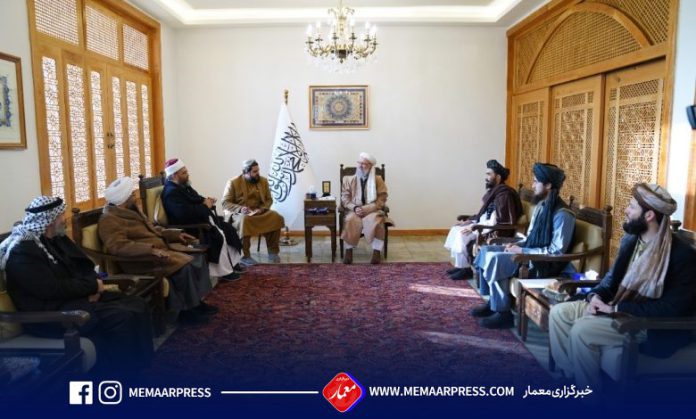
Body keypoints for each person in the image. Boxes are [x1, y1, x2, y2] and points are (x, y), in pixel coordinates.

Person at [549, 183, 696, 392]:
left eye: (632, 207)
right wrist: (595, 298)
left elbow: (672, 309)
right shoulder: (631, 240)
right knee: (559, 313)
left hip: (645, 323)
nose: (626, 210)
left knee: (582, 330)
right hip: (615, 305)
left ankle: (589, 400)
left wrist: (616, 309)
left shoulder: (682, 255)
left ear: (649, 216)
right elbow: (610, 281)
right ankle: (571, 376)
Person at [0, 196, 153, 376]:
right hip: (50, 314)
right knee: (121, 316)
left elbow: (83, 265)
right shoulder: (22, 252)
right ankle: (119, 375)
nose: (64, 219)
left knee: (136, 303)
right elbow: (50, 289)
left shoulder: (56, 238)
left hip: (74, 299)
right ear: (50, 220)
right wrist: (90, 289)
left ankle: (141, 365)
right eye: (61, 215)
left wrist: (93, 286)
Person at [99, 177, 216, 326]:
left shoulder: (132, 210)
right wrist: (150, 250)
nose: (135, 197)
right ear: (124, 199)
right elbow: (118, 246)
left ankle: (196, 303)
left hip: (160, 252)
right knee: (184, 267)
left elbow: (153, 229)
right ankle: (186, 313)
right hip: (142, 260)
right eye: (132, 195)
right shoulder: (109, 219)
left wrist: (175, 234)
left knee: (198, 257)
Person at [472, 163, 575, 329]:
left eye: (536, 181)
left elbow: (556, 252)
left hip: (542, 263)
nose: (532, 185)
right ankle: (492, 301)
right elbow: (530, 237)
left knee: (496, 259)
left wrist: (522, 250)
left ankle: (503, 314)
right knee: (486, 250)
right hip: (528, 252)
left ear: (548, 185)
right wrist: (515, 244)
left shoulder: (563, 214)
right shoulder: (541, 206)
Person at [161, 158, 246, 281]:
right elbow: (183, 215)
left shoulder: (183, 186)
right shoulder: (171, 193)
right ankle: (224, 272)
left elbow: (195, 198)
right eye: (184, 173)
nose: (187, 174)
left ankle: (232, 263)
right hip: (191, 227)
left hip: (200, 219)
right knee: (218, 236)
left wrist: (206, 200)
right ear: (174, 175)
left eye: (186, 171)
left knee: (229, 229)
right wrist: (205, 206)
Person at [444, 159, 522, 280]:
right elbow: (486, 213)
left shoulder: (504, 195)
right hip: (484, 224)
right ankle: (460, 266)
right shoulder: (495, 191)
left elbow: (499, 220)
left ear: (498, 177)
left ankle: (465, 270)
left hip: (495, 229)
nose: (486, 177)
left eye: (489, 174)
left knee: (462, 234)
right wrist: (471, 221)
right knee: (456, 228)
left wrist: (474, 226)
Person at [221, 159, 285, 265]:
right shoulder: (233, 183)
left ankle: (273, 252)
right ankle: (245, 256)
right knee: (245, 220)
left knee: (275, 217)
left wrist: (262, 209)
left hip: (259, 212)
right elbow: (225, 202)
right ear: (245, 172)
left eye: (258, 170)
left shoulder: (263, 181)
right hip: (239, 214)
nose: (257, 173)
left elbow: (269, 199)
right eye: (254, 171)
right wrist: (241, 209)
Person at [340, 152, 392, 264]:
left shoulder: (378, 179)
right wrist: (355, 208)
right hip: (355, 211)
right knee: (350, 220)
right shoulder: (348, 179)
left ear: (370, 166)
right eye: (359, 163)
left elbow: (382, 197)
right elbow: (345, 199)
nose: (360, 166)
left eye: (364, 164)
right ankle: (348, 251)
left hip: (372, 210)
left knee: (377, 221)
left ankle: (376, 253)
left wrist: (370, 208)